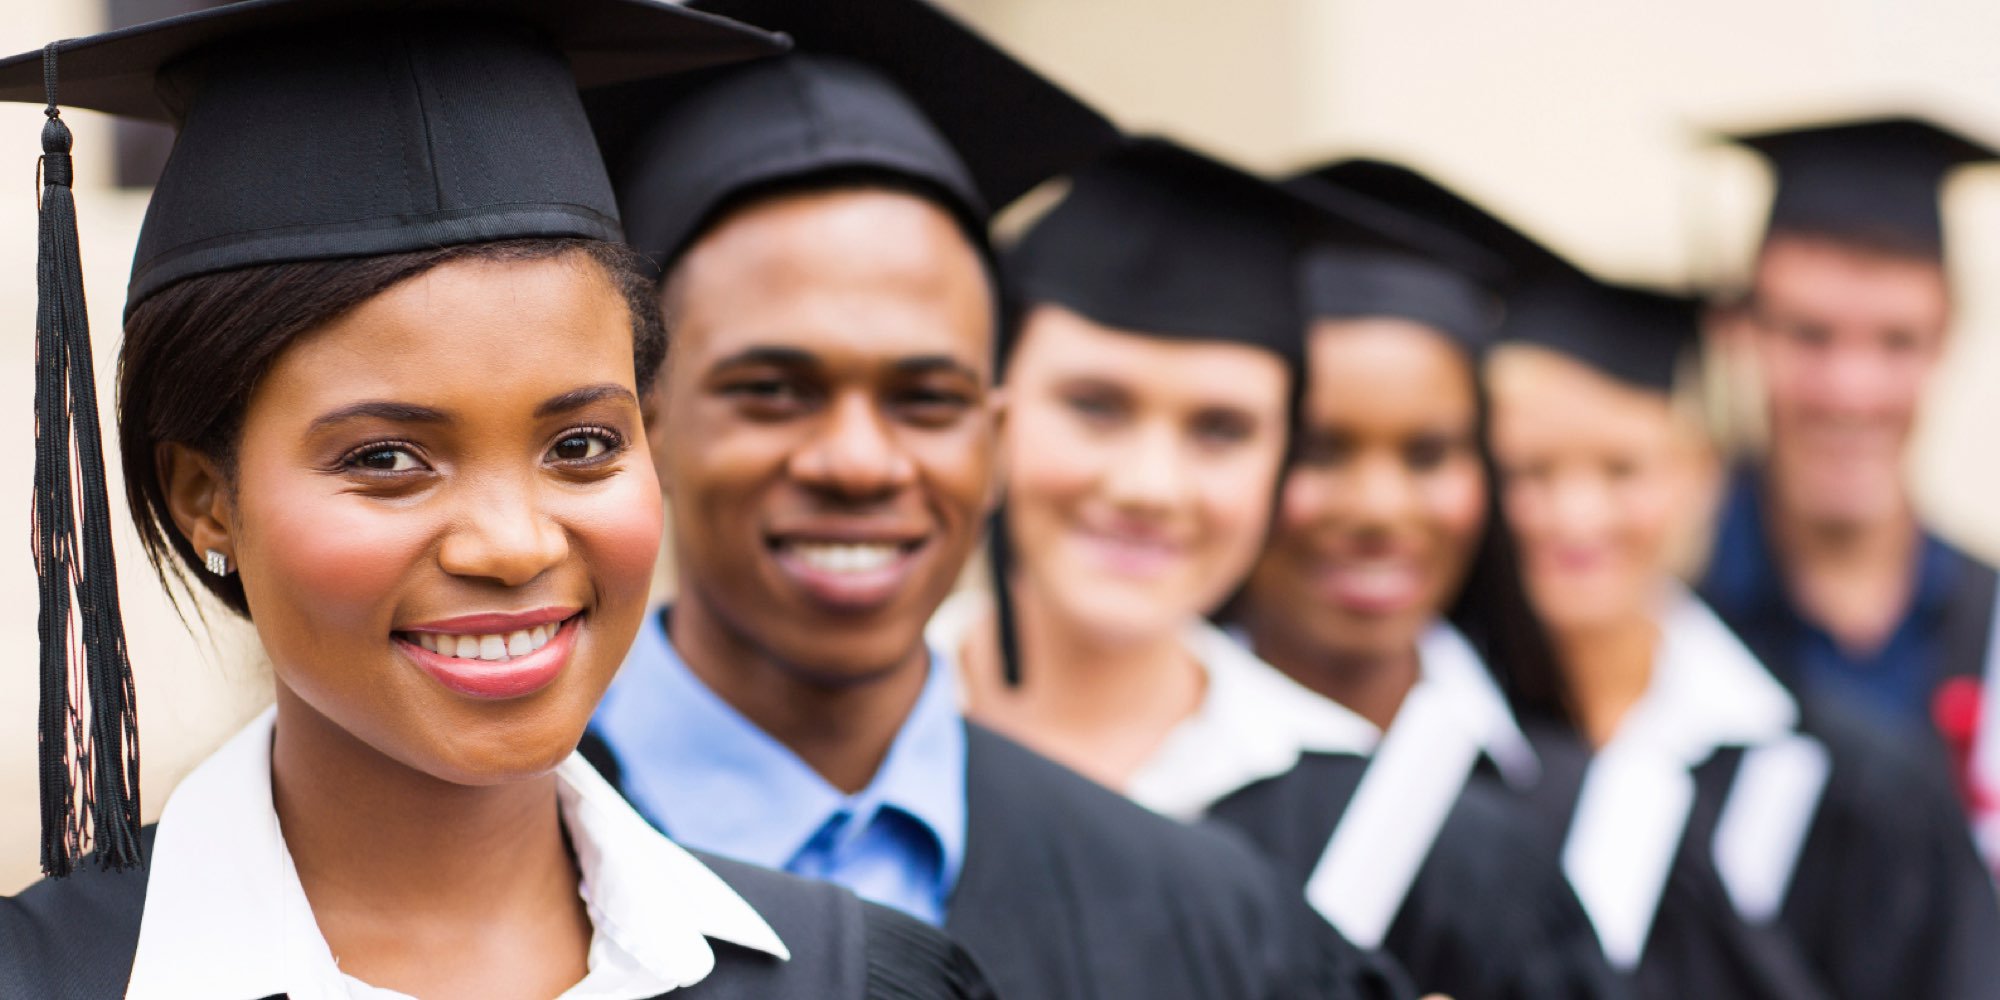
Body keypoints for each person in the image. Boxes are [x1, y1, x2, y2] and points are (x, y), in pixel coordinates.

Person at [0, 4, 995, 998]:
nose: (513, 544)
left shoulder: (858, 979)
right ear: (203, 496)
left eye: (581, 444)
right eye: (389, 458)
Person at [581, 2, 1409, 998]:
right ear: (647, 422)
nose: (858, 460)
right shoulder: (452, 860)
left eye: (925, 398)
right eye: (773, 389)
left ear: (998, 438)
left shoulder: (1209, 916)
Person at [1487, 259, 2000, 999]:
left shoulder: (1850, 788)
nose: (1575, 516)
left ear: (1699, 476)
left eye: (1623, 470)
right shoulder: (1445, 741)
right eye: (1529, 473)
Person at [1207, 159, 1622, 1000]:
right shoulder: (1158, 778)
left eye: (1429, 454)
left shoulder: (1599, 805)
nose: (1378, 508)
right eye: (1320, 449)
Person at [1699, 116, 2000, 857]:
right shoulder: (1672, 624)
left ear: (1946, 338)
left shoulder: (1990, 628)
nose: (1850, 391)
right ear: (1742, 330)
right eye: (1809, 334)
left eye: (1896, 341)